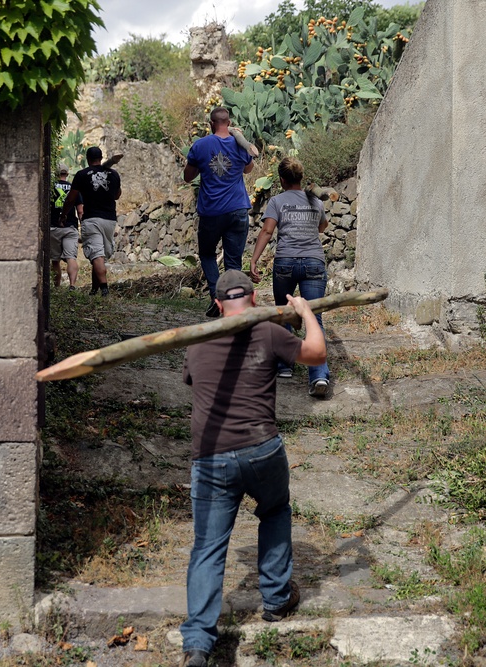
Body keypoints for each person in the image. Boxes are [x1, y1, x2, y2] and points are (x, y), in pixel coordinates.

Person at [178, 270, 326, 667]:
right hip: (262, 451)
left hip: (210, 457)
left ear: (219, 301)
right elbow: (317, 354)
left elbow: (194, 382)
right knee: (274, 510)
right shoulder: (269, 332)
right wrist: (306, 312)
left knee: (207, 547)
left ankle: (197, 644)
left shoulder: (197, 341)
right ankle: (277, 599)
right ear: (255, 298)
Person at [250, 157, 331, 397]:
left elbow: (267, 230)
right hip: (314, 263)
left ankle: (284, 365)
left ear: (282, 180)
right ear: (301, 178)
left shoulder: (276, 201)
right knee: (315, 319)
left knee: (283, 311)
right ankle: (318, 376)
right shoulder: (316, 200)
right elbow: (322, 227)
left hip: (285, 262)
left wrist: (254, 260)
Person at [184, 107, 256, 317]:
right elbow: (248, 169)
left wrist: (201, 165)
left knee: (207, 254)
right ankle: (233, 306)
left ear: (211, 123)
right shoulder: (239, 142)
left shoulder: (200, 145)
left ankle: (217, 296)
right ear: (229, 122)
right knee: (233, 261)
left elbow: (188, 176)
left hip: (211, 211)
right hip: (237, 209)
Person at [61, 146, 121, 296]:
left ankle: (104, 290)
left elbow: (71, 198)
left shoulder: (82, 175)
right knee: (99, 255)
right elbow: (117, 195)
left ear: (88, 159)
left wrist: (64, 214)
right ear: (101, 158)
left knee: (97, 254)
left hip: (92, 218)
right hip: (109, 220)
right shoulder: (114, 174)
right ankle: (94, 290)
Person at [50, 164, 83, 289]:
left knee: (55, 260)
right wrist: (82, 226)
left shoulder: (50, 187)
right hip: (70, 227)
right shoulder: (74, 188)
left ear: (56, 173)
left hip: (53, 227)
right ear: (67, 174)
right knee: (71, 257)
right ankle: (72, 285)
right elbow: (80, 210)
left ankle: (57, 287)